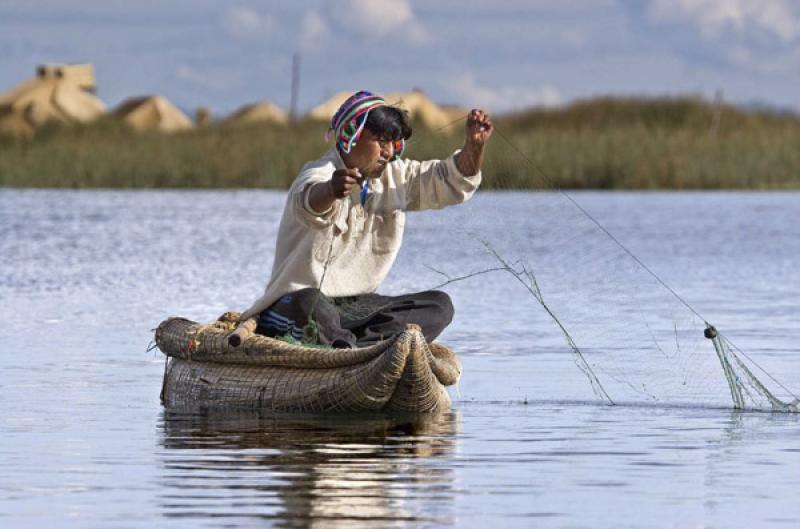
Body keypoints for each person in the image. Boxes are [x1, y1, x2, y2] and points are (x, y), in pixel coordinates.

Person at [240, 90, 493, 348]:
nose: (388, 151)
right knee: (313, 307)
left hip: (354, 307)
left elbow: (450, 180)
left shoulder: (396, 176)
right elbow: (309, 202)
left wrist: (475, 146)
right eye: (380, 141)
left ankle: (354, 348)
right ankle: (348, 347)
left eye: (392, 143)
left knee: (439, 306)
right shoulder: (319, 173)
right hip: (294, 304)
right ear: (351, 138)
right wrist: (331, 190)